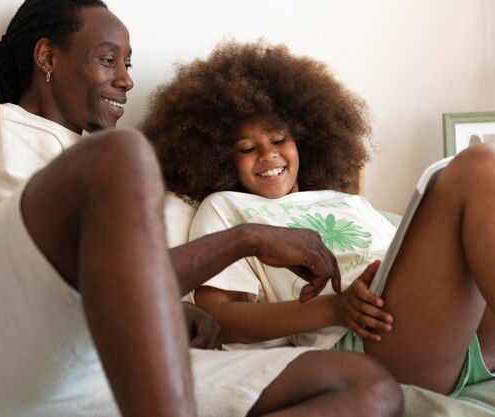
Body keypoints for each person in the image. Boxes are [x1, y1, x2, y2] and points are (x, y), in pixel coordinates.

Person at [0, 2, 403, 417]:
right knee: (122, 155)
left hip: (94, 371)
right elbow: (58, 276)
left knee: (367, 389)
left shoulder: (82, 155)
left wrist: (172, 311)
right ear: (47, 57)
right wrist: (249, 238)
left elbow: (107, 278)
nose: (125, 78)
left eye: (128, 63)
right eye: (108, 60)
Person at [139, 39, 495, 397]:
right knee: (477, 165)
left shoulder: (349, 202)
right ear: (215, 157)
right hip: (373, 341)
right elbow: (221, 317)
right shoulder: (224, 206)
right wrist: (336, 309)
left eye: (280, 139)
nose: (268, 154)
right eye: (247, 149)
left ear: (305, 140)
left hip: (466, 337)